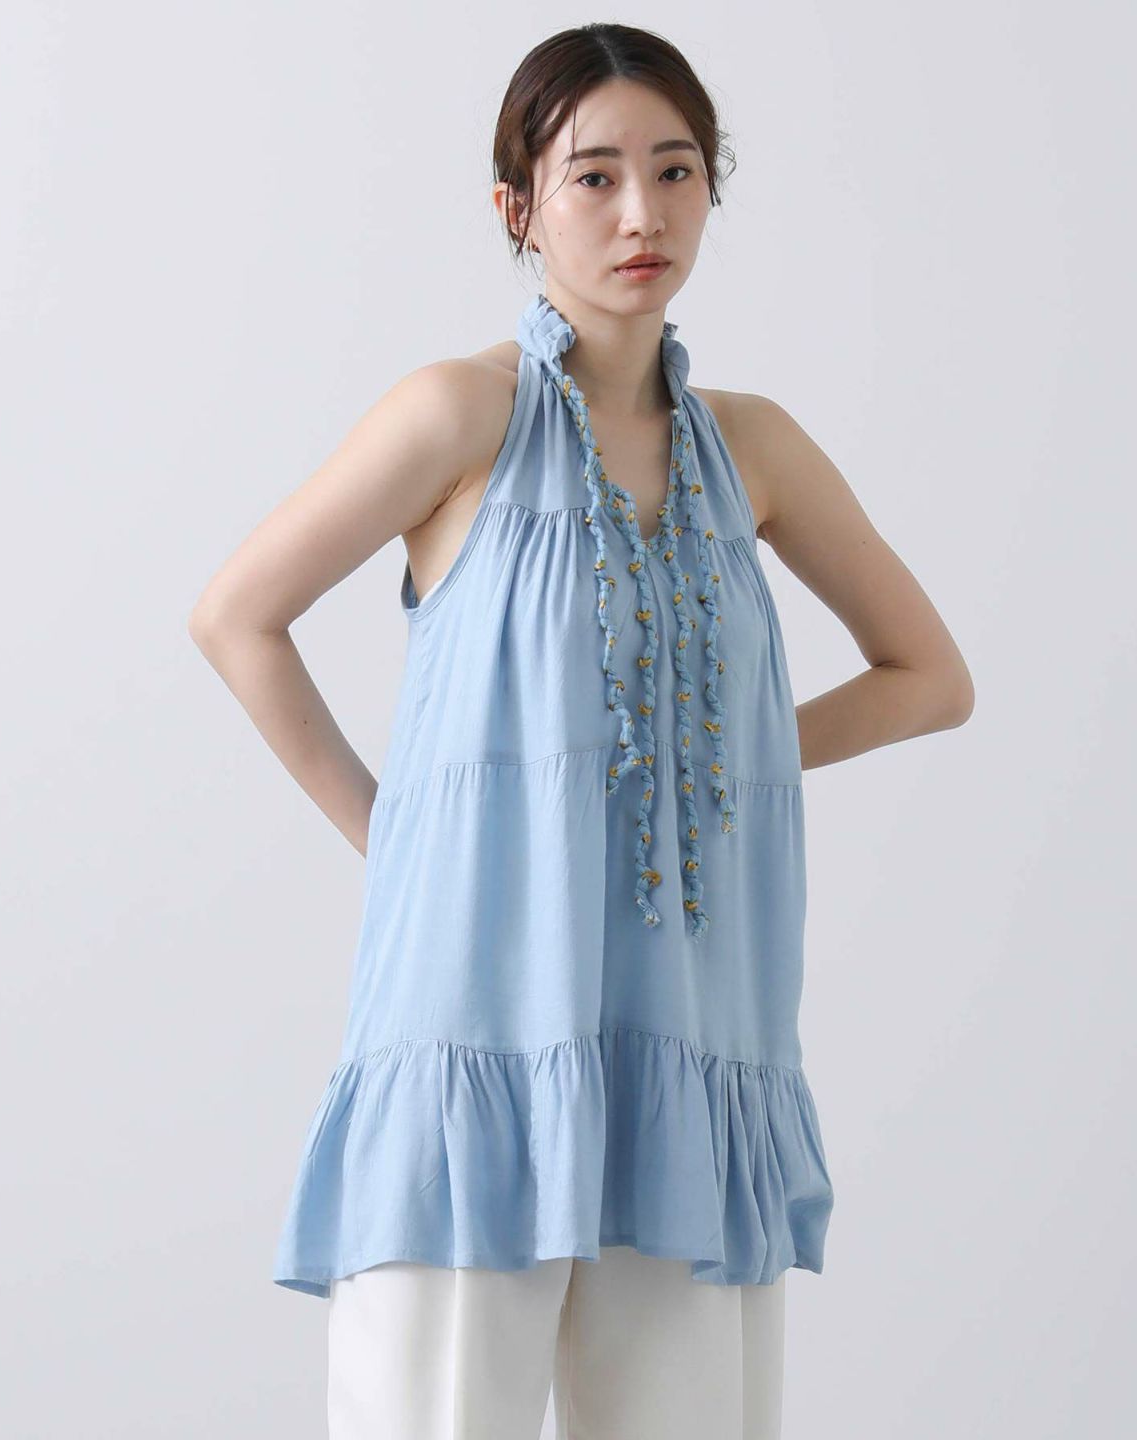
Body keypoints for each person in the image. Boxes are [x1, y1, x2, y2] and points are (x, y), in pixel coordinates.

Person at [189, 22, 974, 1440]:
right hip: (473, 1034)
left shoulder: (758, 449)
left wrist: (707, 755)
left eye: (676, 172)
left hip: (693, 1035)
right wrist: (395, 836)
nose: (641, 215)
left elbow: (930, 676)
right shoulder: (457, 416)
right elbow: (237, 617)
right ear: (518, 206)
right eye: (594, 176)